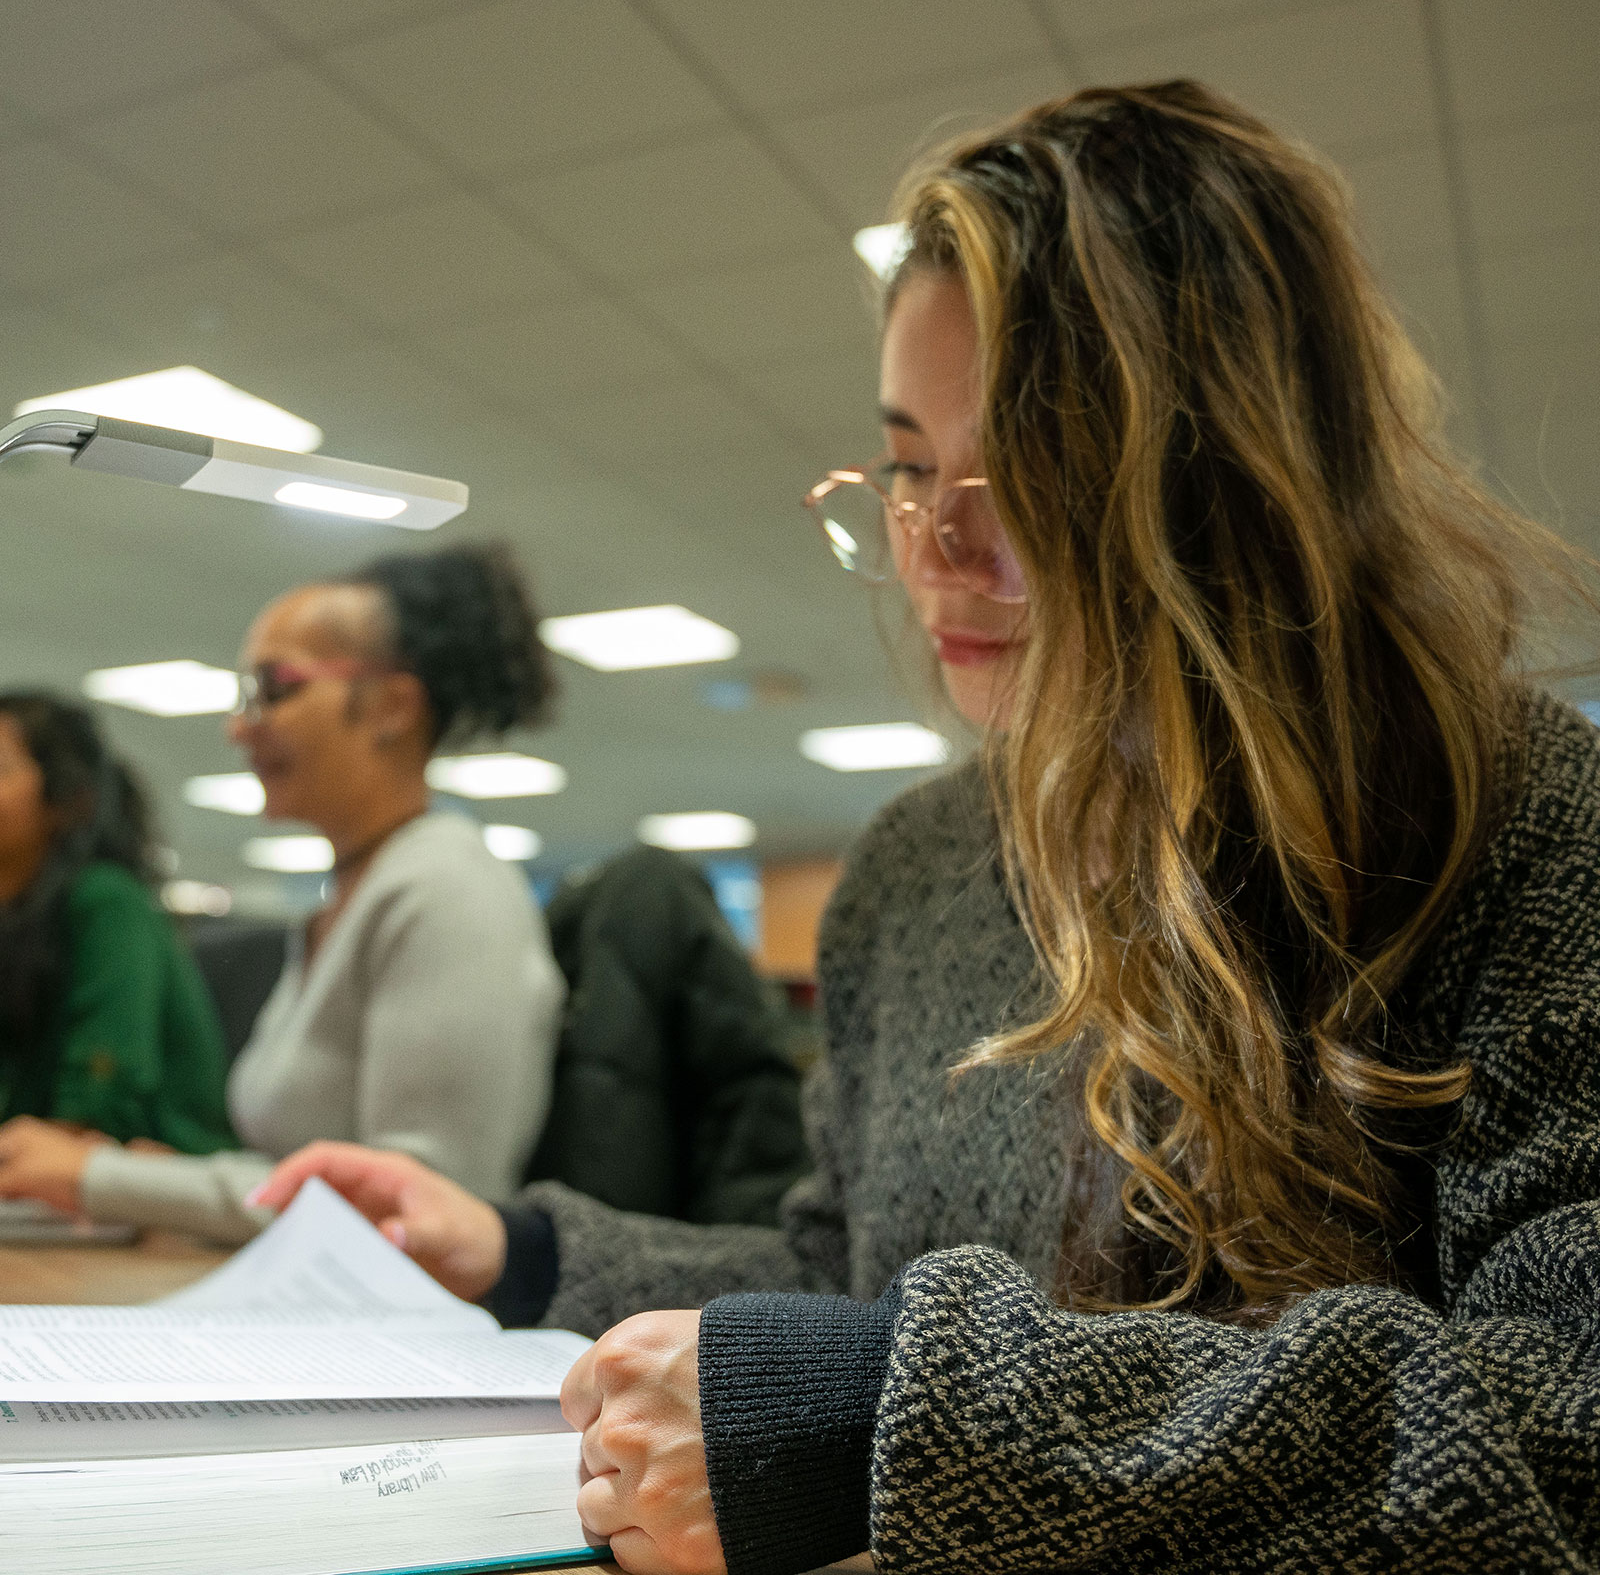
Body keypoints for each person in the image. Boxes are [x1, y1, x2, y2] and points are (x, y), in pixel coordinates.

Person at [255, 81, 1600, 1575]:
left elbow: (1561, 1425)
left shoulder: (1517, 820)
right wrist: (534, 1257)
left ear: (1237, 479)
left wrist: (894, 1414)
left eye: (1027, 473)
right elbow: (850, 1273)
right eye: (907, 465)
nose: (938, 547)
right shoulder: (914, 869)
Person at [0, 543, 567, 1244]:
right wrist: (164, 1178)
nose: (240, 727)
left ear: (393, 705)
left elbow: (422, 1206)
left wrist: (101, 1178)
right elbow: (294, 1167)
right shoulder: (351, 895)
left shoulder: (448, 888)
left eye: (275, 688)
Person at [0, 692, 233, 1156]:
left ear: (67, 800)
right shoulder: (16, 917)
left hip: (165, 1188)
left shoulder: (107, 899)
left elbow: (100, 1096)